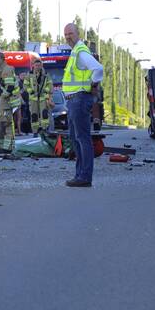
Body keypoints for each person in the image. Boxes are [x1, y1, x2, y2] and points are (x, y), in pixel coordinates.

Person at [62, 23, 104, 187]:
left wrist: (93, 85)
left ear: (77, 33)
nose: (68, 37)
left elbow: (98, 69)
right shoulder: (75, 52)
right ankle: (80, 175)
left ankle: (84, 177)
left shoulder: (80, 51)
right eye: (65, 34)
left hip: (79, 99)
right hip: (74, 100)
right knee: (75, 138)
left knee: (82, 138)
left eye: (70, 33)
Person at [0, 52, 20, 156]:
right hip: (2, 100)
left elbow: (9, 87)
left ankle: (8, 147)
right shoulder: (0, 70)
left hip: (6, 101)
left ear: (1, 59)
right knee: (0, 123)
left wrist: (3, 97)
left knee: (6, 124)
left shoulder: (7, 69)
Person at [22, 54, 54, 136]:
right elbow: (25, 85)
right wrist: (31, 91)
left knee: (44, 114)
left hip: (43, 98)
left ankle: (45, 129)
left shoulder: (46, 74)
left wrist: (45, 90)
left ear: (41, 65)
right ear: (33, 66)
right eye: (36, 65)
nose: (37, 67)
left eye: (39, 65)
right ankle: (35, 131)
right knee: (34, 115)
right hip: (33, 98)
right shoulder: (29, 74)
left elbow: (50, 85)